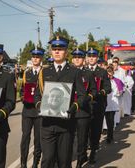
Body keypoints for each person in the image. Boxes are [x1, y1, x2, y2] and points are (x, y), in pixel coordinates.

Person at [34, 36, 86, 168]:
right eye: (54, 49)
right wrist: (40, 106)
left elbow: (82, 95)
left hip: (65, 124)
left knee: (64, 161)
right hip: (47, 123)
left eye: (60, 49)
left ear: (66, 52)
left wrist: (74, 107)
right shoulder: (44, 71)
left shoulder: (74, 72)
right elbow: (37, 94)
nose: (57, 51)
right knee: (47, 159)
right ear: (51, 51)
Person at [71, 47, 97, 168]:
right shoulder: (68, 72)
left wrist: (87, 99)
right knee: (69, 138)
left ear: (83, 59)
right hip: (69, 111)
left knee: (82, 139)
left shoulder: (88, 73)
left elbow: (94, 91)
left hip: (83, 111)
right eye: (75, 57)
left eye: (79, 57)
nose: (77, 60)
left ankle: (80, 160)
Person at [20, 47, 44, 168]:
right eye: (33, 57)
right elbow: (22, 90)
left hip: (39, 111)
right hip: (27, 111)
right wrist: (23, 97)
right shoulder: (26, 73)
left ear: (41, 58)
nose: (35, 59)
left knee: (38, 139)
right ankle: (23, 162)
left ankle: (35, 162)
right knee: (25, 137)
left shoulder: (45, 72)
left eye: (38, 57)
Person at [87, 47, 111, 164]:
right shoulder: (82, 71)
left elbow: (108, 88)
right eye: (89, 56)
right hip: (85, 106)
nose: (91, 58)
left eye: (93, 56)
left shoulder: (102, 72)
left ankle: (93, 152)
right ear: (87, 58)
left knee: (96, 130)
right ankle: (84, 151)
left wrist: (100, 92)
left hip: (98, 105)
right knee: (85, 130)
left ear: (97, 58)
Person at [105, 65, 124, 143]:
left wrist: (119, 93)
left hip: (113, 103)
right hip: (105, 102)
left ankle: (110, 136)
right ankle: (108, 135)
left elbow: (121, 90)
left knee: (111, 120)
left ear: (113, 73)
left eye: (111, 73)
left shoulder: (117, 81)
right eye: (108, 73)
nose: (109, 75)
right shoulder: (104, 81)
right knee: (106, 120)